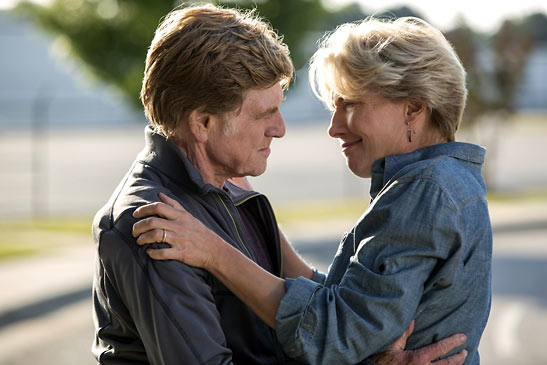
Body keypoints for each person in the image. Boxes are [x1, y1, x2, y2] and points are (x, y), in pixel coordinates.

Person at [93, 4, 466, 363]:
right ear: (203, 123)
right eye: (265, 113)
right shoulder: (156, 225)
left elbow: (328, 312)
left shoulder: (231, 195)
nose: (280, 128)